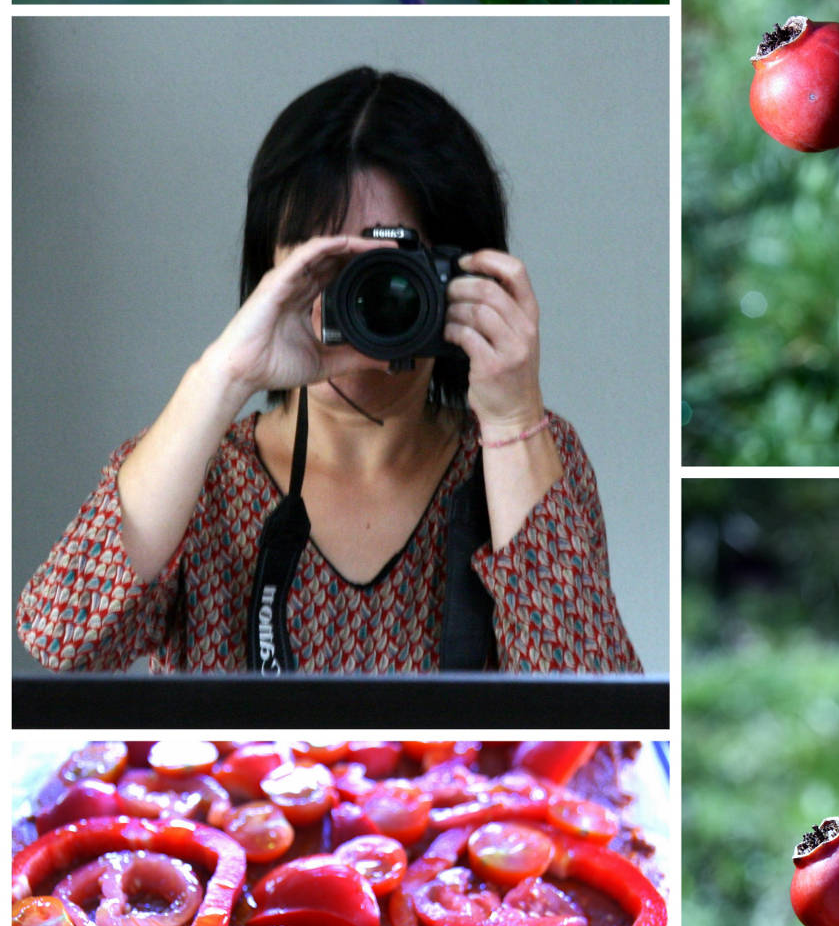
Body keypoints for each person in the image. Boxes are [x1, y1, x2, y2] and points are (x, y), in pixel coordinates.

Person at [17, 68, 642, 675]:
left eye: (390, 266)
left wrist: (512, 420)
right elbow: (62, 639)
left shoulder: (525, 457)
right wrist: (224, 375)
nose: (359, 295)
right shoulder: (199, 470)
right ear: (271, 271)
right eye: (328, 263)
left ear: (464, 272)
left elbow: (595, 709)